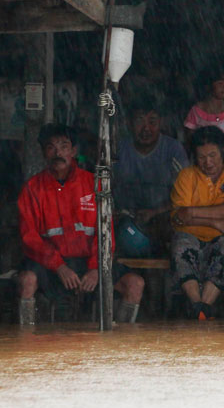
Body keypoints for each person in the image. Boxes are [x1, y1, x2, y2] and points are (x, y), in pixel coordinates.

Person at [16, 124, 144, 324]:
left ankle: (122, 340)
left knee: (135, 284)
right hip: (50, 265)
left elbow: (106, 232)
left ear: (74, 151)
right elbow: (29, 238)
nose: (58, 153)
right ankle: (26, 337)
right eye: (51, 147)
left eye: (64, 146)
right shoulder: (32, 189)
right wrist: (59, 266)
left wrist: (96, 269)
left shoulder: (94, 184)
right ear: (43, 153)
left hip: (88, 262)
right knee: (26, 280)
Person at [170, 126, 224, 319]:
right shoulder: (187, 176)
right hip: (194, 237)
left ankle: (204, 307)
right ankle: (198, 307)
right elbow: (178, 218)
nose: (207, 162)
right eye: (201, 157)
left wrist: (192, 212)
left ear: (223, 152)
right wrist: (217, 223)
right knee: (181, 244)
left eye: (212, 155)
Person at [113, 96, 188, 254]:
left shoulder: (173, 150)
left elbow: (186, 195)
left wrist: (155, 213)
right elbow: (106, 189)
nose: (146, 128)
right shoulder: (118, 150)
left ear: (161, 123)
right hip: (125, 219)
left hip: (163, 219)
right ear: (129, 123)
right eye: (140, 121)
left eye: (152, 122)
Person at [183, 67, 224, 161]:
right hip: (204, 156)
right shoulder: (196, 111)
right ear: (208, 86)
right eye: (220, 83)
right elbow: (189, 134)